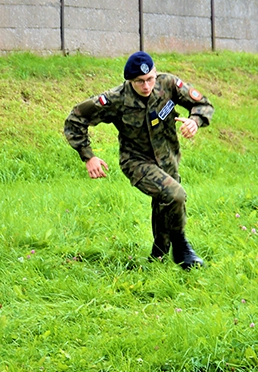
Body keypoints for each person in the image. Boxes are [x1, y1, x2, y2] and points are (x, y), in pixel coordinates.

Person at [63, 51, 214, 269]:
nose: (146, 86)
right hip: (136, 161)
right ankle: (182, 248)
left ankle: (159, 255)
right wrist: (89, 156)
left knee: (166, 203)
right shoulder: (116, 99)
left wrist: (195, 121)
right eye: (139, 81)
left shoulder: (168, 84)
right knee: (176, 195)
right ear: (130, 81)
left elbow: (203, 104)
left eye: (150, 79)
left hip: (168, 158)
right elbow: (76, 118)